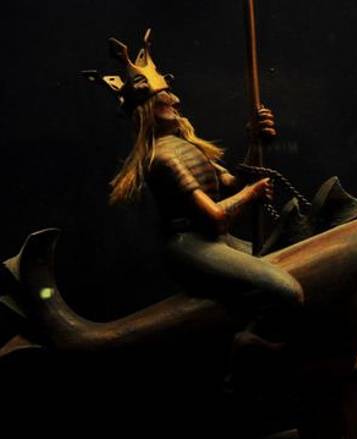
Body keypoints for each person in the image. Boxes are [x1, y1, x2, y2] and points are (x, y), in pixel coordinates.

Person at [85, 30, 303, 324]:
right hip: (190, 247)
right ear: (149, 108)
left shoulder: (185, 146)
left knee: (291, 259)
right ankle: (250, 340)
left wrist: (255, 143)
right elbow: (215, 218)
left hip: (215, 241)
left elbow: (232, 185)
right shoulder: (162, 158)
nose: (176, 99)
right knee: (286, 290)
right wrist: (251, 194)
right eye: (165, 97)